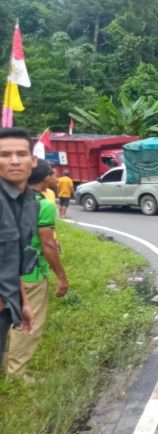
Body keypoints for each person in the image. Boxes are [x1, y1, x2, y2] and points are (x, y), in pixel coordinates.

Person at [5, 161, 68, 379]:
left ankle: (8, 364)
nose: (56, 177)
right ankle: (16, 373)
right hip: (30, 275)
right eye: (53, 174)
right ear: (44, 178)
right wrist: (61, 277)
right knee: (28, 324)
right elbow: (48, 245)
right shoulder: (44, 205)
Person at [0, 127, 39, 369]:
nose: (14, 160)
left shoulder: (28, 202)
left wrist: (23, 302)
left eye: (21, 154)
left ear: (33, 160)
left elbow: (16, 257)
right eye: (5, 155)